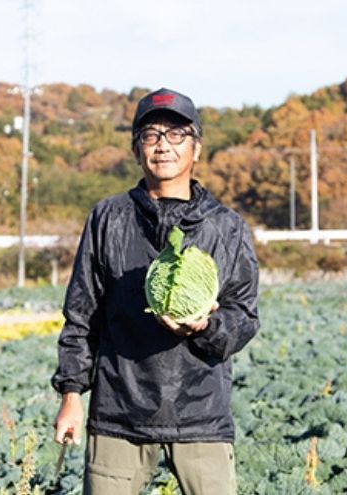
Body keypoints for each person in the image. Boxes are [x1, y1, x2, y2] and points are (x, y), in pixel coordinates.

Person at [50, 87, 260, 495]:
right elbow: (82, 314)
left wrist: (207, 327)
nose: (163, 145)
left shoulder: (226, 227)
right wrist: (71, 394)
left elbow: (244, 316)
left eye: (177, 134)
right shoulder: (108, 218)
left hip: (201, 413)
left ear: (196, 149)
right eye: (151, 135)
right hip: (119, 411)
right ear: (136, 150)